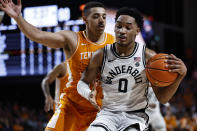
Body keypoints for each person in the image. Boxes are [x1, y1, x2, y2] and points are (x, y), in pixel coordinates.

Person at [0, 1, 115, 130]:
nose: (101, 20)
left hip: (97, 111)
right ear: (85, 19)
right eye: (96, 16)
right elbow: (38, 35)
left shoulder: (114, 43)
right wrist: (17, 17)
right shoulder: (72, 39)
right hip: (71, 107)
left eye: (104, 17)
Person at [77, 7, 187, 131]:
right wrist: (88, 93)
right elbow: (82, 82)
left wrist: (180, 77)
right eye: (118, 26)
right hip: (108, 114)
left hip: (135, 116)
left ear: (137, 31)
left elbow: (163, 98)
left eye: (128, 27)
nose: (122, 31)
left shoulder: (149, 57)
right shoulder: (100, 55)